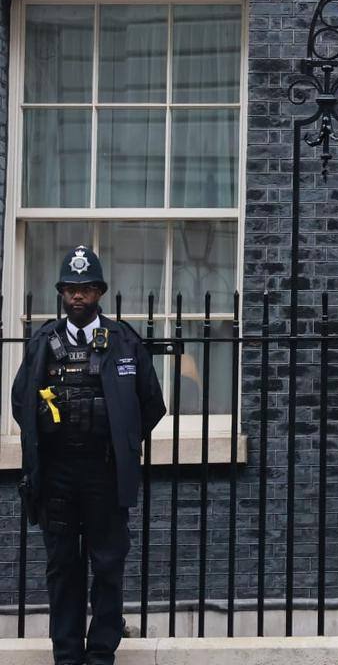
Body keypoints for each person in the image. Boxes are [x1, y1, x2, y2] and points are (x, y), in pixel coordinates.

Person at [11, 245, 166, 665]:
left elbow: (152, 403)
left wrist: (122, 439)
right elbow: (20, 401)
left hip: (104, 472)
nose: (77, 297)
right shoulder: (45, 340)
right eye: (70, 289)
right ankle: (66, 655)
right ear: (61, 293)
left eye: (86, 289)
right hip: (58, 473)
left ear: (99, 291)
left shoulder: (123, 342)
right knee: (63, 567)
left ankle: (100, 654)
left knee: (108, 565)